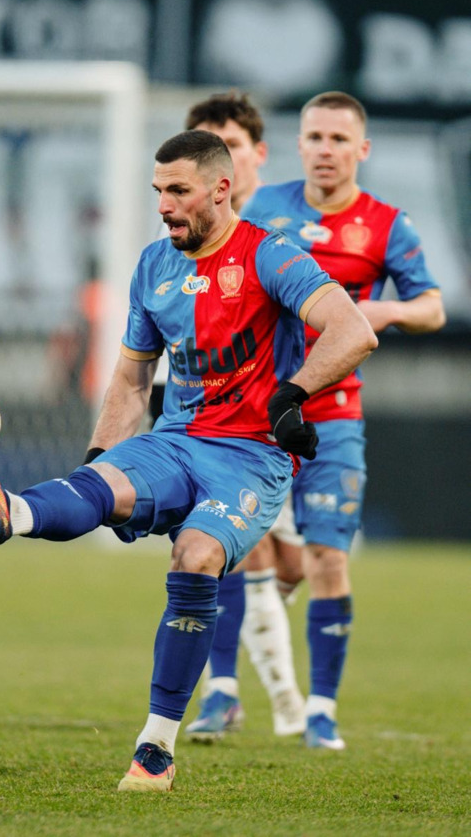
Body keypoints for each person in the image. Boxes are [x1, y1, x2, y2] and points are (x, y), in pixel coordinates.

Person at [0, 129, 377, 792]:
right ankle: (8, 512)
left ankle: (156, 749)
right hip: (175, 439)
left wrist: (292, 396)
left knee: (196, 557)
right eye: (158, 191)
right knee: (97, 487)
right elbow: (132, 379)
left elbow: (353, 330)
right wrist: (100, 459)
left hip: (252, 456)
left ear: (221, 189)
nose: (165, 205)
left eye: (178, 191)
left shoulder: (270, 255)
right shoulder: (153, 265)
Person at [188, 91, 446, 751]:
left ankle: (322, 711)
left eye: (338, 139)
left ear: (362, 149)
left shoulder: (385, 225)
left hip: (333, 414)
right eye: (315, 138)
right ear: (298, 145)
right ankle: (222, 692)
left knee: (322, 559)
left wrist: (383, 312)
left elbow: (433, 308)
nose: (325, 150)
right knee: (226, 549)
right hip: (259, 412)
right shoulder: (264, 209)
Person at [168, 92, 308, 740]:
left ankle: (256, 678)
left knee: (291, 569)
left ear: (255, 154)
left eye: (226, 144)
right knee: (225, 550)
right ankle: (242, 696)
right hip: (223, 427)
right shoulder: (185, 230)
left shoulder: (286, 225)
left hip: (294, 414)